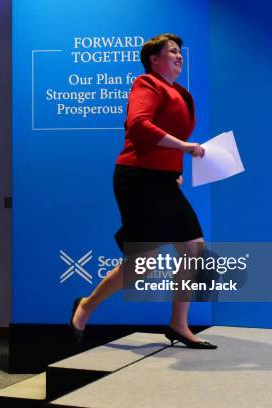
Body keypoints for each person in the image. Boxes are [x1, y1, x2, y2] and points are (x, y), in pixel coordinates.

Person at [69, 33, 216, 349]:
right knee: (143, 265)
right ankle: (86, 305)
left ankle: (179, 324)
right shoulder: (146, 84)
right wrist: (184, 147)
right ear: (154, 59)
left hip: (163, 181)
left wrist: (176, 170)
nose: (179, 56)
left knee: (194, 248)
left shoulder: (181, 94)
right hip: (137, 179)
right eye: (172, 51)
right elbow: (138, 125)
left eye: (180, 52)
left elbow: (171, 136)